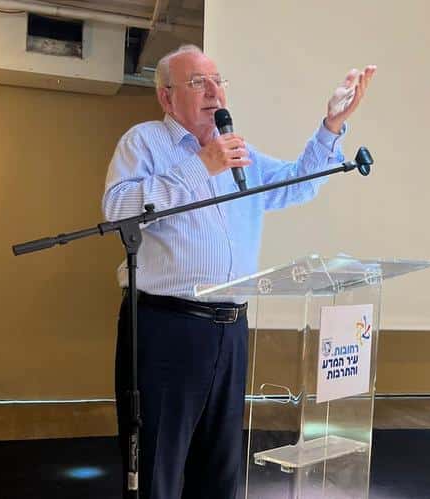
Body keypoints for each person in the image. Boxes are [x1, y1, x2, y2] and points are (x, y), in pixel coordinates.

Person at [102, 44, 375, 499]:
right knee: (157, 464)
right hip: (166, 326)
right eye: (198, 82)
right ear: (167, 96)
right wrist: (201, 167)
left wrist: (330, 127)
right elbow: (117, 210)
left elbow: (296, 184)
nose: (214, 91)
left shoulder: (237, 151)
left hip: (230, 330)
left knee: (220, 466)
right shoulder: (143, 142)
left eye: (218, 81)